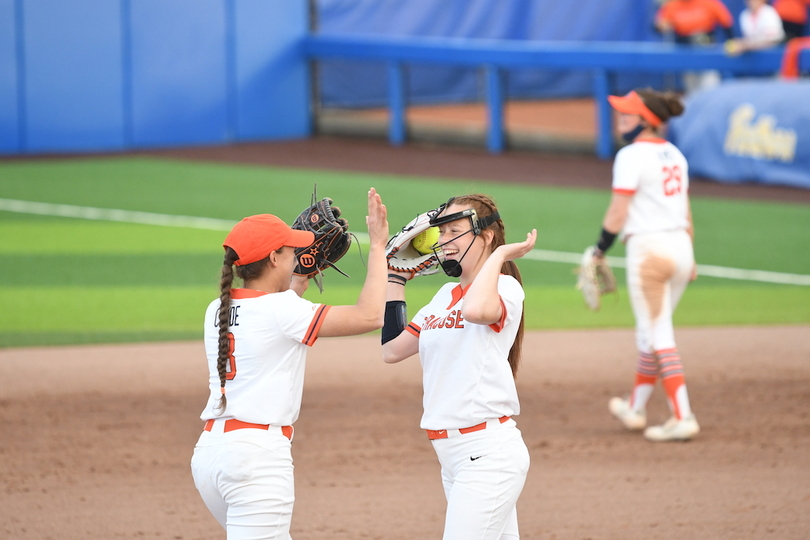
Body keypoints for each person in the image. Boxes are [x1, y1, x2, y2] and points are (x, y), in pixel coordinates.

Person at [190, 189, 388, 539]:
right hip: (255, 461)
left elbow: (272, 321)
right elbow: (370, 316)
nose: (298, 254)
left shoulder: (217, 309)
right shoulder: (283, 312)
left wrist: (297, 281)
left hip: (211, 457)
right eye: (290, 250)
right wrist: (377, 247)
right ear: (273, 259)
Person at [382, 194, 537, 540]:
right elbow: (392, 350)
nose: (444, 241)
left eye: (455, 231)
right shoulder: (443, 297)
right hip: (453, 459)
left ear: (485, 236)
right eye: (443, 232)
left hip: (487, 455)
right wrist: (395, 280)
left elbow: (476, 312)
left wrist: (498, 257)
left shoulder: (505, 288)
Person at [595, 89, 701, 442]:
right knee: (651, 333)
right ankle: (635, 408)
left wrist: (600, 249)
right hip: (680, 248)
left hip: (650, 253)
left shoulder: (631, 155)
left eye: (628, 113)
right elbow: (685, 210)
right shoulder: (676, 155)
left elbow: (617, 212)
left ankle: (682, 415)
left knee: (658, 335)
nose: (621, 118)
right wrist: (692, 256)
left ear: (647, 120)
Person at [655, 0, 735, 93]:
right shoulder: (673, 5)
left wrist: (731, 42)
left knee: (711, 86)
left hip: (706, 50)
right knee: (692, 90)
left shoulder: (708, 2)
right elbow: (657, 26)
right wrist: (662, 26)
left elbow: (727, 23)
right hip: (686, 53)